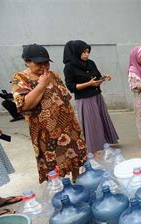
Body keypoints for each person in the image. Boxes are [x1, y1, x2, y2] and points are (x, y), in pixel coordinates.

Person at [12, 44, 87, 183]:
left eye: (46, 63)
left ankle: (77, 181)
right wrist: (41, 85)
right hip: (46, 132)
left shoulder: (54, 75)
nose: (43, 67)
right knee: (53, 163)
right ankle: (59, 190)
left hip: (68, 126)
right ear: (27, 62)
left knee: (74, 154)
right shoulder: (21, 78)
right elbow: (24, 105)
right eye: (38, 64)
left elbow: (65, 97)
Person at [63, 40, 119, 154]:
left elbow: (96, 78)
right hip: (85, 99)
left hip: (97, 96)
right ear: (76, 52)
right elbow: (71, 87)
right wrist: (89, 84)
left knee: (102, 120)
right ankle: (95, 148)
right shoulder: (69, 67)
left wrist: (103, 78)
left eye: (88, 52)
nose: (87, 54)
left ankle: (105, 144)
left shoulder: (90, 63)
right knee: (92, 123)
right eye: (84, 52)